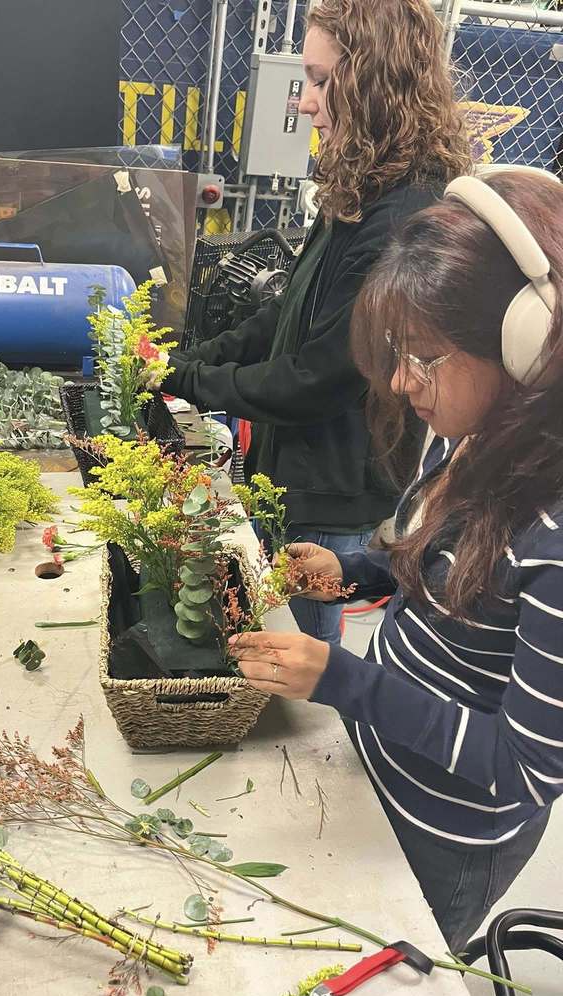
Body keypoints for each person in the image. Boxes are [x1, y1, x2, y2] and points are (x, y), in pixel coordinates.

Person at [230, 170, 563, 953]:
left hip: (440, 839)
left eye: (428, 357)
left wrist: (341, 679)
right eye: (397, 353)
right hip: (373, 770)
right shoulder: (473, 429)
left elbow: (522, 770)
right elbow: (442, 569)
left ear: (527, 344)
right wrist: (356, 572)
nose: (403, 381)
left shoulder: (554, 535)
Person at [162, 0, 472, 644]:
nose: (305, 102)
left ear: (377, 82)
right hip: (298, 473)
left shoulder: (402, 217)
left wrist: (193, 382)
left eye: (323, 80)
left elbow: (318, 378)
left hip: (332, 491)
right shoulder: (366, 190)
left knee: (295, 664)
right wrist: (188, 360)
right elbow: (288, 310)